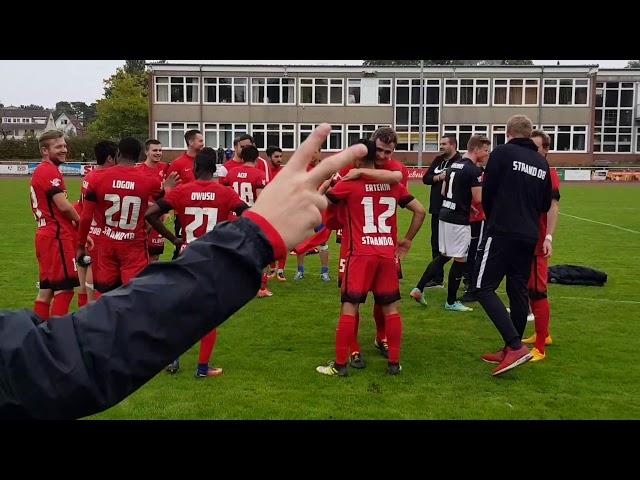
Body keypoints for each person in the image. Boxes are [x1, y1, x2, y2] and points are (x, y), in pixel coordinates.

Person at [0, 123, 367, 420]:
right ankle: (201, 365)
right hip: (172, 249)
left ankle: (170, 359)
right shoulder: (212, 188)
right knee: (139, 303)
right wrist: (254, 236)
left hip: (144, 242)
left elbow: (138, 212)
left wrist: (164, 234)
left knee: (94, 296)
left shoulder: (113, 180)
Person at [316, 144, 426, 377]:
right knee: (391, 310)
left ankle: (340, 365)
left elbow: (321, 205)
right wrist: (406, 240)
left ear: (356, 160)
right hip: (387, 254)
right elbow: (420, 211)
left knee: (349, 306)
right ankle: (394, 364)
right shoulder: (392, 183)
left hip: (360, 255)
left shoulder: (349, 183)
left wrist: (326, 185)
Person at [146, 149, 248, 378]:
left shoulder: (181, 191)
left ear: (194, 168)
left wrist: (173, 238)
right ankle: (202, 368)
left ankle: (172, 358)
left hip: (185, 255)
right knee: (209, 315)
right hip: (213, 258)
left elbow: (151, 214)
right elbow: (249, 215)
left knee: (178, 309)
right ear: (215, 168)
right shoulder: (225, 193)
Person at [475, 115, 552, 376]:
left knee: (482, 287)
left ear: (508, 133)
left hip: (503, 230)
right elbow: (544, 205)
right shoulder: (541, 163)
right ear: (529, 135)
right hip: (529, 235)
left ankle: (515, 345)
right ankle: (512, 349)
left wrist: (496, 217)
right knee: (517, 289)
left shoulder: (503, 153)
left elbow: (488, 192)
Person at [76, 138, 169, 294]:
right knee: (134, 294)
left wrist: (80, 245)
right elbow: (161, 205)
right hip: (133, 245)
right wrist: (168, 190)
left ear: (118, 153)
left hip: (105, 244)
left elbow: (85, 217)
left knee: (105, 294)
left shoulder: (96, 178)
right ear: (139, 156)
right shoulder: (150, 180)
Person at [410, 135, 485, 312]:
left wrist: (463, 204)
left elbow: (444, 191)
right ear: (476, 150)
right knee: (460, 258)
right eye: (486, 150)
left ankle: (419, 288)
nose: (487, 153)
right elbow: (479, 198)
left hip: (444, 213)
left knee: (444, 255)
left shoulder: (453, 166)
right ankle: (451, 302)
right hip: (458, 220)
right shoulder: (474, 170)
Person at [30, 130, 81, 320]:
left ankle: (37, 336)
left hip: (45, 236)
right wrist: (80, 223)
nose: (64, 150)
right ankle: (56, 339)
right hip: (56, 236)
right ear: (45, 150)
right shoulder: (48, 170)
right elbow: (64, 206)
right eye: (58, 146)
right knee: (65, 290)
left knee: (46, 291)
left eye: (65, 145)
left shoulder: (43, 170)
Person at [522, 130, 561, 362]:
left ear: (546, 149)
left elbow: (553, 207)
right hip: (526, 238)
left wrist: (548, 237)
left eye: (537, 148)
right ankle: (542, 334)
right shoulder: (533, 171)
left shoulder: (549, 173)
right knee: (529, 289)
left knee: (538, 291)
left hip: (538, 243)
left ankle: (540, 348)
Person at [221, 145, 271, 297]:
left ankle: (234, 285)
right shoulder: (259, 174)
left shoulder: (231, 173)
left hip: (233, 217)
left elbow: (225, 194)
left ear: (242, 158)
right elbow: (261, 198)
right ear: (257, 159)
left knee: (235, 252)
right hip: (251, 216)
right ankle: (260, 287)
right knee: (261, 252)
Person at [75, 140, 118, 305]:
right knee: (99, 275)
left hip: (87, 230)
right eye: (117, 156)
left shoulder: (89, 176)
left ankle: (83, 309)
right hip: (101, 232)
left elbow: (82, 205)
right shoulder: (107, 178)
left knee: (86, 269)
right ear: (110, 158)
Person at [421, 134, 461, 288]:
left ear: (453, 145)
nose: (441, 146)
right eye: (441, 143)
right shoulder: (438, 160)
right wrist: (438, 177)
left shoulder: (459, 161)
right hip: (437, 209)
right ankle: (437, 278)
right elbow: (426, 178)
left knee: (455, 246)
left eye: (444, 143)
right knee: (435, 243)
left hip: (452, 210)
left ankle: (465, 279)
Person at [293, 147, 332, 282]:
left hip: (322, 211)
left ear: (319, 152)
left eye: (314, 151)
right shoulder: (303, 170)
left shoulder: (325, 168)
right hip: (305, 210)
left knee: (323, 241)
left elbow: (333, 188)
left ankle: (324, 272)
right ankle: (300, 271)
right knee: (302, 239)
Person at [165, 129, 204, 259]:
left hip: (203, 211)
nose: (203, 143)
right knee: (181, 248)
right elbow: (170, 186)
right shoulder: (178, 163)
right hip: (183, 214)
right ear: (190, 142)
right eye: (200, 141)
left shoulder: (203, 161)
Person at [137, 139, 170, 262]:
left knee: (156, 254)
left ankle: (152, 280)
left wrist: (166, 210)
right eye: (154, 150)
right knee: (143, 253)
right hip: (144, 218)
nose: (158, 153)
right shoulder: (139, 171)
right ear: (146, 152)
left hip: (159, 219)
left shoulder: (165, 168)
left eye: (160, 150)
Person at [263, 146, 288, 281]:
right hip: (268, 211)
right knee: (268, 241)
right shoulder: (265, 171)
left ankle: (281, 270)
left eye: (280, 156)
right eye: (276, 157)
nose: (279, 159)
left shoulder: (284, 171)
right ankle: (272, 268)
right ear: (269, 157)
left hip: (282, 210)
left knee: (283, 241)